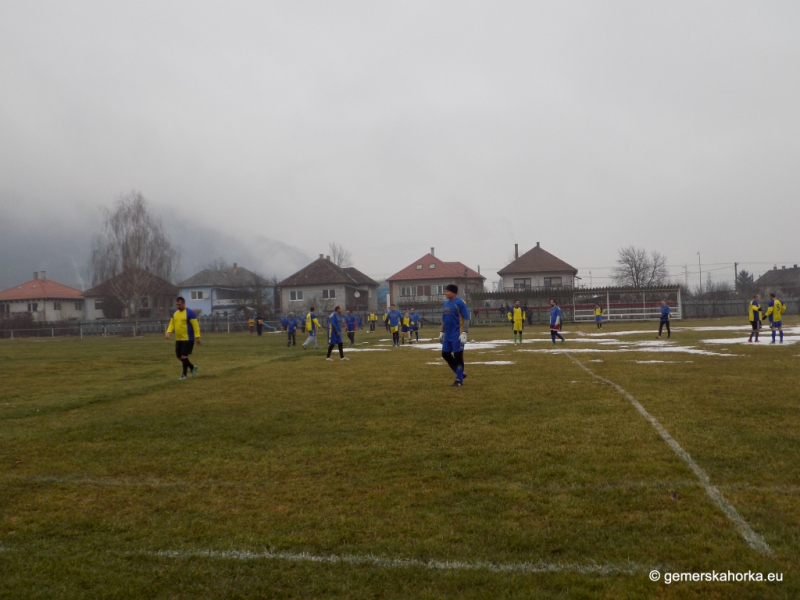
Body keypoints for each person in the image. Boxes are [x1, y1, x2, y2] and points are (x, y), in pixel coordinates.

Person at [165, 296, 201, 380]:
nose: (178, 306)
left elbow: (195, 326)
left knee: (184, 356)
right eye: (177, 305)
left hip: (188, 338)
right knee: (179, 356)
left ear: (184, 303)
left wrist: (197, 337)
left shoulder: (190, 313)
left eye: (179, 304)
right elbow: (172, 323)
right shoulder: (175, 313)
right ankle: (192, 367)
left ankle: (184, 375)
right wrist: (168, 332)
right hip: (178, 338)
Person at [441, 284, 470, 386]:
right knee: (445, 354)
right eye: (445, 291)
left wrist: (465, 333)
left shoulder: (460, 303)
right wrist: (442, 332)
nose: (446, 293)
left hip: (457, 334)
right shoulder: (446, 303)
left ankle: (459, 380)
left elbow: (466, 317)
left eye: (448, 291)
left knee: (458, 356)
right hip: (448, 335)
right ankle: (460, 373)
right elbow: (444, 319)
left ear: (454, 292)